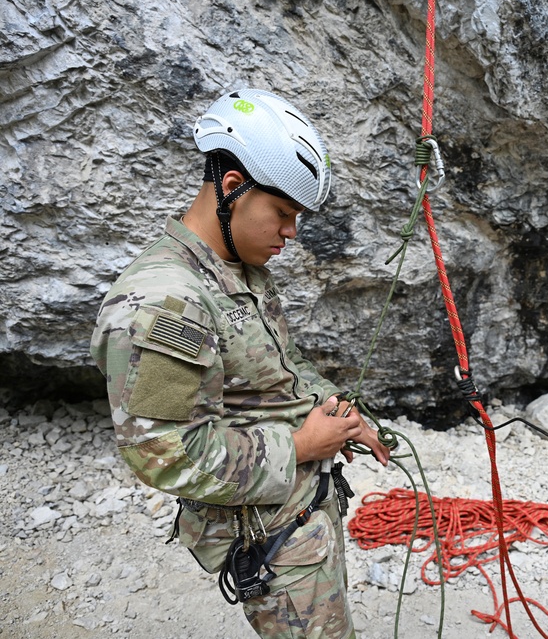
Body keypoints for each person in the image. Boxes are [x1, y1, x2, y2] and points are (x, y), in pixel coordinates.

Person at [91, 88, 390, 639]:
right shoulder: (167, 302)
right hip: (267, 529)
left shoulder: (240, 273)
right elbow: (165, 454)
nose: (292, 232)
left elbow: (281, 368)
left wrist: (335, 409)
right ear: (233, 188)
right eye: (282, 212)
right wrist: (302, 446)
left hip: (297, 512)